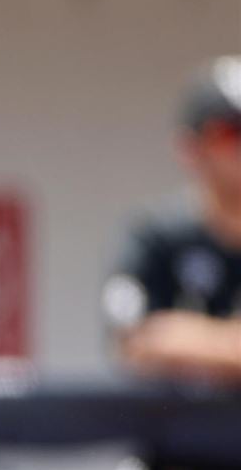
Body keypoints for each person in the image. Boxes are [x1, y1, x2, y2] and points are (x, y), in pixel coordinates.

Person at [102, 55, 241, 384]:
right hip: (181, 435)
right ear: (190, 148)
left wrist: (188, 336)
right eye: (229, 133)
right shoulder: (155, 235)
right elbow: (132, 342)